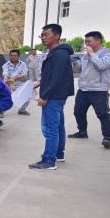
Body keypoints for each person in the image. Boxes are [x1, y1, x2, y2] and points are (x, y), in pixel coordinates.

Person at [28, 24, 74, 170]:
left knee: (50, 128)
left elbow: (57, 78)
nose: (43, 38)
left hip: (54, 96)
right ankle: (58, 154)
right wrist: (40, 83)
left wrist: (45, 96)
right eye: (42, 35)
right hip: (57, 95)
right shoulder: (56, 52)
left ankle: (49, 160)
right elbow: (52, 75)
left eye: (46, 34)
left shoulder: (59, 54)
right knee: (58, 126)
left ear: (57, 36)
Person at [68, 31, 110, 149]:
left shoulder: (108, 53)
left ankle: (107, 137)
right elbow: (79, 70)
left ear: (98, 41)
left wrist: (92, 54)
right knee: (78, 112)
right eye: (85, 42)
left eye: (89, 41)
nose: (86, 44)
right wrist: (74, 63)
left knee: (103, 114)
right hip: (83, 89)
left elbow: (102, 65)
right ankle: (82, 132)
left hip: (99, 90)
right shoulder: (86, 55)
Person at [3, 49, 30, 115]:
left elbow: (24, 74)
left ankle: (22, 110)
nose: (13, 57)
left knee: (27, 96)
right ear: (9, 56)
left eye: (15, 55)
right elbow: (5, 73)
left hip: (19, 83)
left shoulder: (23, 64)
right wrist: (6, 78)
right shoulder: (6, 65)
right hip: (8, 83)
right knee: (6, 98)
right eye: (11, 55)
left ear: (18, 56)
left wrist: (15, 78)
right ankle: (1, 111)